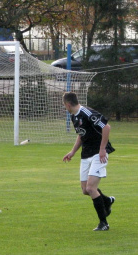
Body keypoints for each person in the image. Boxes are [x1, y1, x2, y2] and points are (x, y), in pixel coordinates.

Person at [62, 92, 115, 231]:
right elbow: (81, 135)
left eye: (64, 105)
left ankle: (104, 223)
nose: (65, 107)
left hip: (99, 154)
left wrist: (102, 149)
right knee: (86, 190)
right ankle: (107, 200)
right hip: (86, 155)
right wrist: (72, 152)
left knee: (91, 188)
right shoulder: (74, 116)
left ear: (68, 104)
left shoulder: (87, 113)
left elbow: (106, 127)